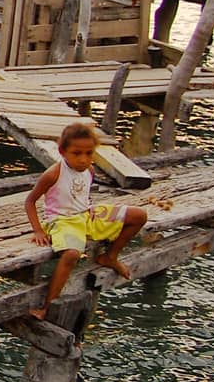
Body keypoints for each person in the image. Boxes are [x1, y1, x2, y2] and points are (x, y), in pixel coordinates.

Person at [24, 123, 148, 321]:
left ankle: (111, 256)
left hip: (87, 215)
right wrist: (38, 230)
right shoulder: (53, 174)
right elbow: (30, 201)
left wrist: (91, 210)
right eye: (77, 153)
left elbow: (83, 195)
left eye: (89, 153)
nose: (83, 159)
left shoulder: (89, 170)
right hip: (63, 220)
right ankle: (47, 306)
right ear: (62, 151)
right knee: (72, 254)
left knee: (138, 216)